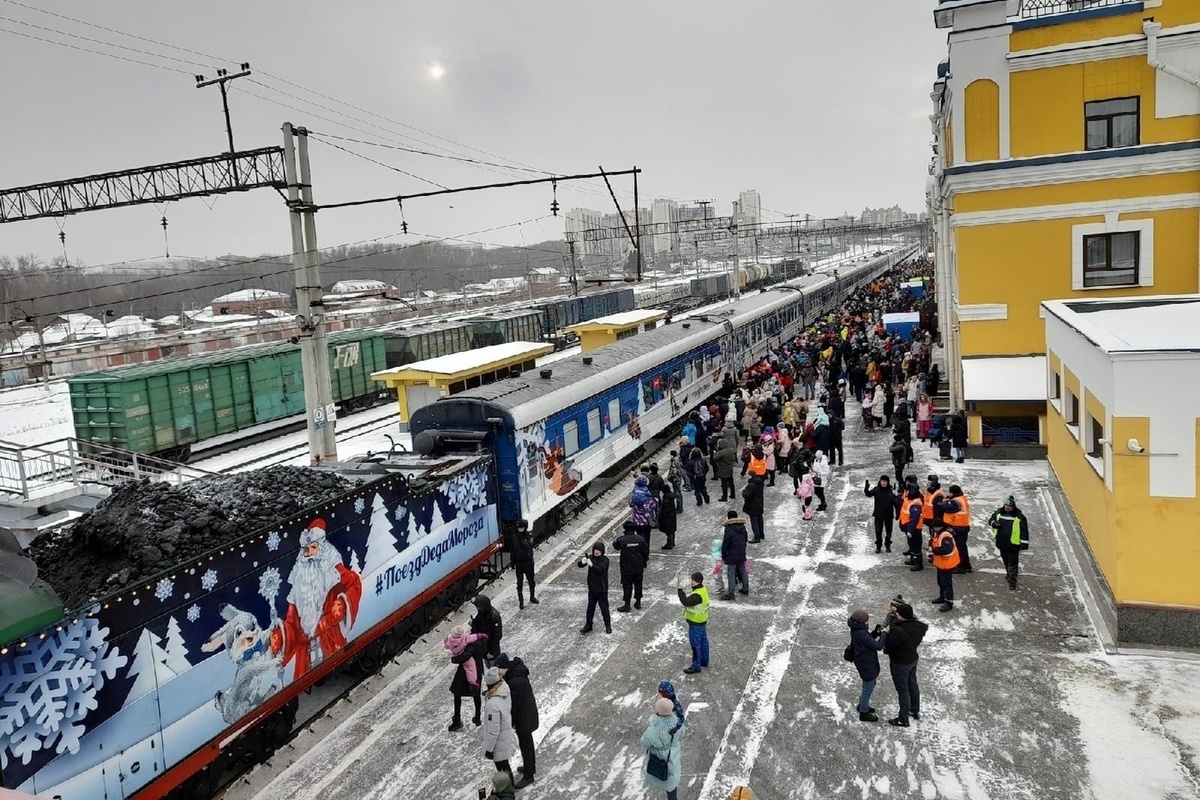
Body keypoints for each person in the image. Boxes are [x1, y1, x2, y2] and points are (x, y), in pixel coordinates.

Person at [495, 653, 539, 789]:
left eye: (499, 668)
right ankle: (529, 767)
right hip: (527, 713)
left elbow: (514, 706)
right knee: (527, 743)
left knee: (526, 745)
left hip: (523, 718)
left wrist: (510, 722)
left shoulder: (515, 681)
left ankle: (528, 776)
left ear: (504, 667)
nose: (498, 671)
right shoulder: (516, 674)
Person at [882, 602, 927, 727]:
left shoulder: (898, 632)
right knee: (912, 684)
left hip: (899, 663)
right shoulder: (918, 627)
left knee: (902, 690)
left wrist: (887, 633)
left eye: (898, 613)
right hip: (912, 658)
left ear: (902, 616)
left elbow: (888, 647)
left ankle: (903, 718)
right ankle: (914, 709)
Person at [641, 696, 685, 800]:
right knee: (672, 780)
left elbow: (644, 742)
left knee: (661, 775)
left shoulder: (653, 730)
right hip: (673, 757)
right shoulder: (678, 725)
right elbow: (683, 733)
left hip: (659, 758)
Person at [847, 609, 886, 722]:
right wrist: (884, 634)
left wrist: (876, 632)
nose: (868, 622)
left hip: (863, 661)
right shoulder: (861, 633)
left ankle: (862, 705)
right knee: (868, 687)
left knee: (870, 684)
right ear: (862, 622)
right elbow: (878, 646)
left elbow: (868, 640)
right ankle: (863, 712)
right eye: (866, 621)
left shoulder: (857, 629)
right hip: (866, 663)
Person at [446, 624, 486, 731]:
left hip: (468, 671)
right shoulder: (476, 640)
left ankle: (458, 720)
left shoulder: (472, 643)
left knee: (458, 693)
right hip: (476, 669)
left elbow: (464, 656)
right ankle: (476, 717)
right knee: (475, 694)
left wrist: (454, 659)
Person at [481, 666, 516, 779]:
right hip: (505, 737)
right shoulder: (505, 691)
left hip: (499, 743)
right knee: (505, 767)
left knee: (503, 770)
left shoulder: (492, 705)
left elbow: (493, 731)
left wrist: (489, 750)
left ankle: (508, 792)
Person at [989, 495, 1030, 590]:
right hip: (1002, 542)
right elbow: (991, 520)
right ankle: (1009, 574)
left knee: (1013, 563)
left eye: (1009, 506)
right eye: (1006, 506)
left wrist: (1024, 544)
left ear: (1013, 507)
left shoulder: (1020, 517)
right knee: (1006, 560)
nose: (1007, 508)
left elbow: (1024, 531)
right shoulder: (999, 512)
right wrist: (994, 524)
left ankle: (1012, 581)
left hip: (1013, 544)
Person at [677, 572, 710, 674]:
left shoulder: (697, 595)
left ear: (697, 581)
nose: (691, 582)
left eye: (692, 580)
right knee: (703, 641)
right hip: (702, 620)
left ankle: (696, 666)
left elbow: (686, 602)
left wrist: (680, 590)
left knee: (695, 645)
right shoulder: (702, 590)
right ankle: (704, 661)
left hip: (695, 622)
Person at [613, 521, 650, 612]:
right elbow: (646, 552)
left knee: (627, 585)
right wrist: (644, 562)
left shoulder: (621, 540)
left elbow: (616, 546)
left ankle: (627, 604)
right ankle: (638, 601)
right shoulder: (640, 539)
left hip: (626, 567)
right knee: (638, 584)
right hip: (638, 566)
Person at [936, 484, 974, 574]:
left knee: (959, 548)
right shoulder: (962, 498)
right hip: (963, 526)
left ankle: (961, 566)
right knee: (962, 547)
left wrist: (942, 502)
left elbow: (945, 508)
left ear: (953, 492)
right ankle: (966, 565)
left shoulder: (955, 501)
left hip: (958, 527)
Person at [577, 542, 612, 634]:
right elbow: (580, 565)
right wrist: (582, 562)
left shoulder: (605, 560)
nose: (596, 552)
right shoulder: (591, 558)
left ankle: (608, 626)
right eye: (595, 550)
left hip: (601, 590)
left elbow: (600, 570)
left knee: (604, 609)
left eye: (598, 550)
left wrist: (592, 565)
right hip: (592, 589)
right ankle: (588, 625)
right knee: (590, 608)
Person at [929, 519, 961, 612]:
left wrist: (933, 551)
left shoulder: (945, 535)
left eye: (936, 527)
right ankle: (942, 597)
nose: (934, 529)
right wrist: (930, 545)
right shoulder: (938, 533)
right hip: (941, 563)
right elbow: (933, 541)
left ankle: (948, 602)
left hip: (947, 564)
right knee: (941, 581)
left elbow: (946, 549)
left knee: (946, 583)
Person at [508, 520, 537, 610]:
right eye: (519, 528)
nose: (520, 529)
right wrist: (512, 561)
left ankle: (532, 597)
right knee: (519, 583)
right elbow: (512, 549)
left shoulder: (529, 536)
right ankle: (521, 602)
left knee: (531, 581)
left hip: (527, 563)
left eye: (522, 528)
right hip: (519, 563)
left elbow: (529, 546)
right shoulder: (514, 536)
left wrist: (523, 541)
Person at [720, 510, 750, 599]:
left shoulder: (728, 529)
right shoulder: (743, 527)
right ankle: (745, 588)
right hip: (741, 552)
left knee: (731, 573)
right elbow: (745, 539)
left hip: (731, 554)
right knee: (743, 571)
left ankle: (731, 593)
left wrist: (724, 554)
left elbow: (726, 543)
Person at [863, 476, 896, 553]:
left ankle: (888, 545)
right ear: (880, 481)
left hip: (888, 515)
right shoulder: (876, 489)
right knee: (878, 532)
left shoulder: (891, 490)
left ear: (887, 482)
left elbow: (896, 503)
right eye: (882, 481)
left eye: (885, 481)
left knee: (889, 532)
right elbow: (869, 494)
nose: (883, 483)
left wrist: (896, 495)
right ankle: (878, 546)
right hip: (879, 514)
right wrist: (866, 489)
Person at [470, 595, 503, 668]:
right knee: (489, 667)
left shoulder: (494, 616)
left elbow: (497, 636)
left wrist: (491, 652)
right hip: (484, 647)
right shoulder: (481, 613)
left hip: (491, 650)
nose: (478, 608)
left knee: (494, 670)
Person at [900, 487, 925, 571]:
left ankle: (918, 564)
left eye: (907, 490)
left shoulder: (915, 504)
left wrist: (910, 530)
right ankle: (913, 560)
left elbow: (914, 519)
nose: (905, 492)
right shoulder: (910, 500)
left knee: (916, 547)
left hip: (915, 529)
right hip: (910, 528)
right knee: (912, 545)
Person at [629, 475, 657, 540]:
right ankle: (646, 549)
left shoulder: (634, 495)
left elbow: (630, 504)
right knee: (647, 537)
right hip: (646, 520)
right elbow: (653, 505)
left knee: (639, 536)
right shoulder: (647, 494)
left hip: (637, 520)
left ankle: (640, 548)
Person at [741, 473, 766, 543]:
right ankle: (761, 534)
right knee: (760, 519)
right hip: (759, 504)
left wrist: (744, 492)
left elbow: (747, 495)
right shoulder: (760, 482)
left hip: (753, 505)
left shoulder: (751, 485)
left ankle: (757, 537)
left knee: (754, 521)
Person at [713, 437, 738, 501]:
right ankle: (733, 494)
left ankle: (724, 497)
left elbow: (715, 458)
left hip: (723, 470)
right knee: (731, 483)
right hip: (730, 468)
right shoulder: (731, 450)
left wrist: (715, 452)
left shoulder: (721, 452)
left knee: (724, 484)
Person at [658, 487, 678, 551]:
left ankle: (670, 544)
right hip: (672, 516)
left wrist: (661, 516)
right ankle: (672, 542)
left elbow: (665, 510)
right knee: (671, 530)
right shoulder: (670, 497)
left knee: (669, 531)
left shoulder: (666, 500)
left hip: (668, 517)